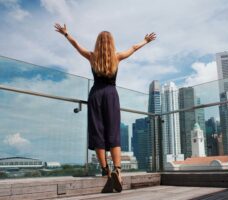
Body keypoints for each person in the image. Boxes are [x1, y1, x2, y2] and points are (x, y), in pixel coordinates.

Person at [54, 23, 156, 192]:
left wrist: (66, 34)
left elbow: (76, 45)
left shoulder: (92, 56)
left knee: (98, 132)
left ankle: (105, 170)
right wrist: (145, 41)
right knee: (113, 132)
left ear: (98, 43)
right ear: (111, 43)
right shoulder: (117, 57)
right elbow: (133, 48)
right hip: (111, 95)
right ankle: (118, 170)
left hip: (95, 96)